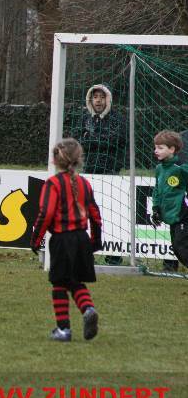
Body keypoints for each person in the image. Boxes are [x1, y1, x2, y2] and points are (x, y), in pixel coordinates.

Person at [30, 138, 102, 342]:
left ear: (54, 160)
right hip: (82, 238)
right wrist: (95, 240)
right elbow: (95, 214)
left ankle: (63, 330)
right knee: (75, 281)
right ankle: (88, 309)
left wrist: (36, 239)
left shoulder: (53, 184)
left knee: (59, 283)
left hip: (63, 240)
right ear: (78, 159)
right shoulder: (84, 183)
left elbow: (46, 213)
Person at [72, 84, 127, 266]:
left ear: (108, 99)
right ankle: (87, 251)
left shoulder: (117, 119)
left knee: (111, 214)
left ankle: (114, 255)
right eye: (95, 97)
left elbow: (115, 140)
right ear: (90, 99)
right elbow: (78, 140)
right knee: (88, 212)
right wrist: (98, 139)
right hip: (89, 171)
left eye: (102, 97)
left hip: (111, 171)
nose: (98, 100)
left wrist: (91, 137)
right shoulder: (84, 118)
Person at [150, 130, 188, 268]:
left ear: (172, 149)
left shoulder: (181, 168)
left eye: (160, 148)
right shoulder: (159, 168)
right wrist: (156, 209)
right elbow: (157, 190)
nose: (156, 151)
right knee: (177, 249)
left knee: (182, 247)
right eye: (155, 147)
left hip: (183, 215)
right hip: (172, 215)